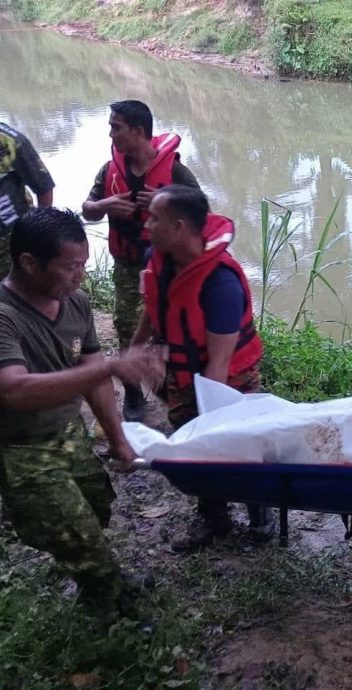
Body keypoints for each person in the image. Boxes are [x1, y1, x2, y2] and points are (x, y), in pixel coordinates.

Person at [0, 207, 164, 621]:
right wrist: (110, 365)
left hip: (68, 431)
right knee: (77, 534)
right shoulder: (5, 317)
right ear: (29, 263)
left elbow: (92, 379)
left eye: (84, 266)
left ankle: (98, 577)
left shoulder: (76, 303)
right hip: (19, 447)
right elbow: (13, 391)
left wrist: (118, 437)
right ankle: (108, 608)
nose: (80, 277)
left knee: (96, 507)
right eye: (70, 267)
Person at [130, 184, 275, 551]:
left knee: (237, 445)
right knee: (196, 454)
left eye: (155, 219)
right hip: (182, 375)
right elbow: (154, 303)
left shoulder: (220, 283)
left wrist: (207, 420)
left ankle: (259, 509)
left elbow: (220, 362)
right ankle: (213, 517)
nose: (147, 225)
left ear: (179, 227)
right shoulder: (161, 259)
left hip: (227, 380)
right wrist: (134, 349)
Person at [81, 100, 199, 423]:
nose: (110, 134)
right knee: (126, 326)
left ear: (138, 131)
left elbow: (201, 212)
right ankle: (132, 392)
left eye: (115, 127)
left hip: (166, 268)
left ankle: (180, 396)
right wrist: (106, 204)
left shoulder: (174, 171)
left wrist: (167, 202)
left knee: (170, 331)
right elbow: (87, 210)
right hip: (126, 264)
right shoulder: (109, 171)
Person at [0, 121, 55, 276]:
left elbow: (43, 187)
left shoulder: (9, 141)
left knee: (15, 293)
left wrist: (37, 233)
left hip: (10, 237)